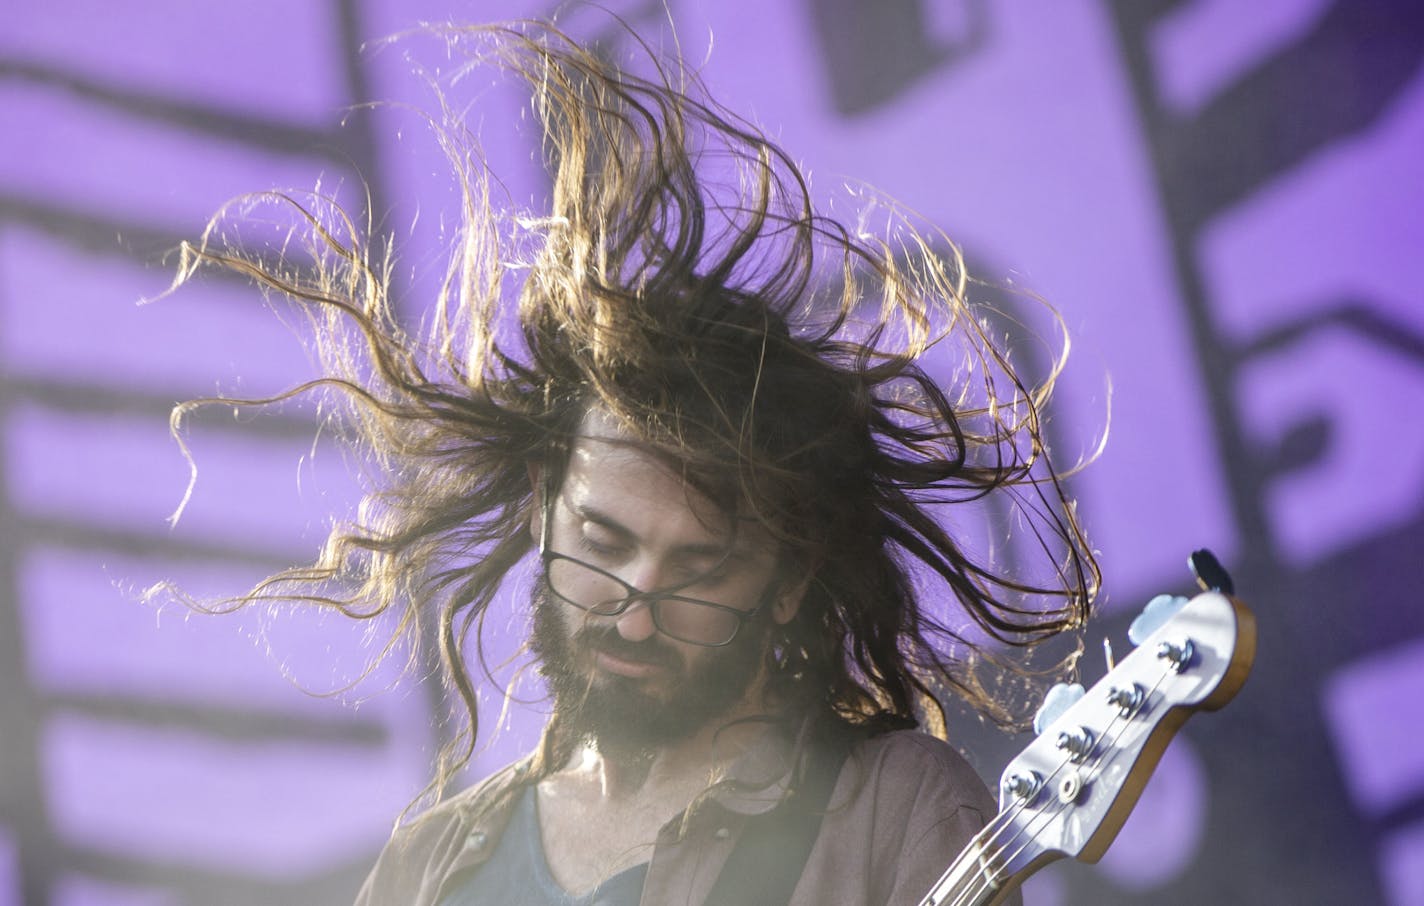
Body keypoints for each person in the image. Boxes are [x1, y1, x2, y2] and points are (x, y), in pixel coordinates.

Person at [168, 19, 1096, 906]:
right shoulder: (434, 864)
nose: (636, 618)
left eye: (697, 570)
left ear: (788, 578)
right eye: (603, 542)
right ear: (544, 506)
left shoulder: (892, 809)